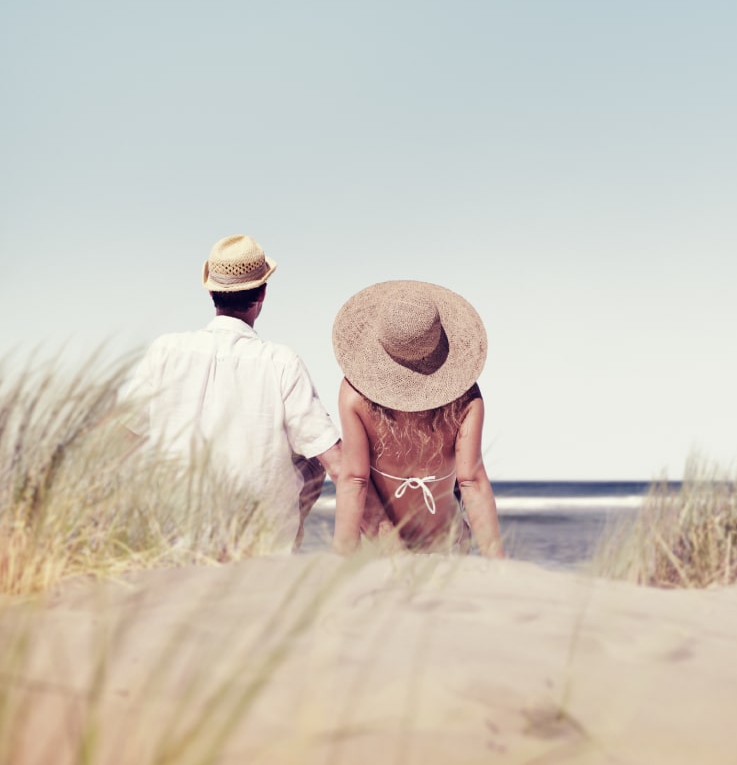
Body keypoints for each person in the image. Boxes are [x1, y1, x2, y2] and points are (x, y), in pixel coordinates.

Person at [119, 234, 343, 551]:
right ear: (262, 292)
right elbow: (337, 463)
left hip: (176, 537)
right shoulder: (281, 361)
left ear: (211, 291)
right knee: (314, 455)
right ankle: (288, 540)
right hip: (261, 543)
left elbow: (117, 442)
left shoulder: (165, 351)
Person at [330, 280, 504, 558]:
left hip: (385, 549)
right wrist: (498, 563)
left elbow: (354, 480)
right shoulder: (466, 398)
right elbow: (471, 481)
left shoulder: (354, 396)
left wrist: (341, 558)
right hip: (446, 543)